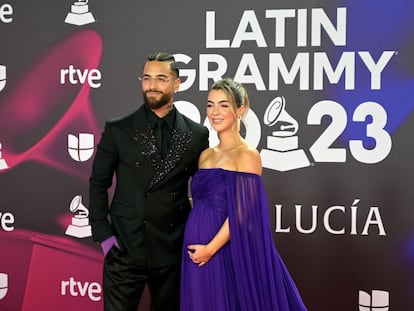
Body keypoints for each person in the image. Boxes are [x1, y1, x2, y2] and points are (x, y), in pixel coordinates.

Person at [89, 52, 209, 311]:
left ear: (177, 83)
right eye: (147, 78)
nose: (152, 85)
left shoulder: (197, 135)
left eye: (161, 78)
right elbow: (98, 182)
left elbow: (203, 192)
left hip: (172, 249)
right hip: (124, 247)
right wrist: (104, 234)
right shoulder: (119, 128)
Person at [180, 78, 307, 310]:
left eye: (223, 105)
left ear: (241, 109)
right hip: (194, 249)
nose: (215, 112)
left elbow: (242, 211)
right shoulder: (205, 155)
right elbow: (201, 201)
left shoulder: (247, 155)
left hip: (224, 249)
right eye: (210, 105)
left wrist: (210, 249)